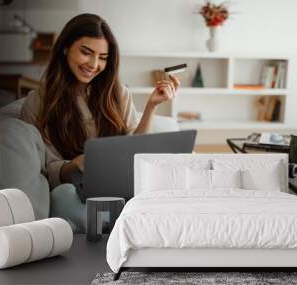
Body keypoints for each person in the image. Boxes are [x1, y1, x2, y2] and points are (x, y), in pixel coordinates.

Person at [21, 13, 180, 232]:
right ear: (66, 48)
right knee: (63, 196)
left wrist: (152, 105)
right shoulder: (39, 101)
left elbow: (136, 147)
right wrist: (75, 164)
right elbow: (48, 170)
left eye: (103, 57)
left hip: (120, 185)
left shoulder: (117, 93)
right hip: (76, 188)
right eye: (86, 52)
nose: (94, 64)